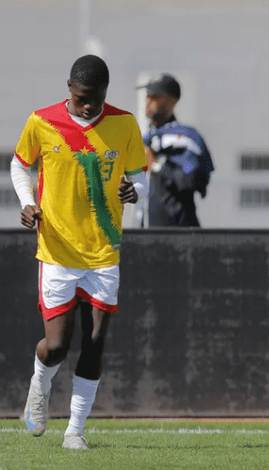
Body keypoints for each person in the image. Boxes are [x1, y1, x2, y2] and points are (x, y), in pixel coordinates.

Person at [10, 55, 148, 450]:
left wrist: (135, 192)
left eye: (97, 98)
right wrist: (28, 203)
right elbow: (20, 165)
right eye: (83, 97)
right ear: (70, 88)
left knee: (96, 340)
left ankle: (75, 430)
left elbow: (140, 177)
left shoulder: (124, 123)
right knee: (56, 346)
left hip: (104, 251)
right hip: (57, 250)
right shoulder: (42, 121)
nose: (89, 105)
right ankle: (40, 381)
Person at [137, 73, 214, 227]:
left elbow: (191, 179)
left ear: (172, 101)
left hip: (177, 231)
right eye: (147, 96)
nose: (148, 101)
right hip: (145, 231)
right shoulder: (145, 139)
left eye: (155, 96)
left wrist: (156, 166)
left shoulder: (186, 138)